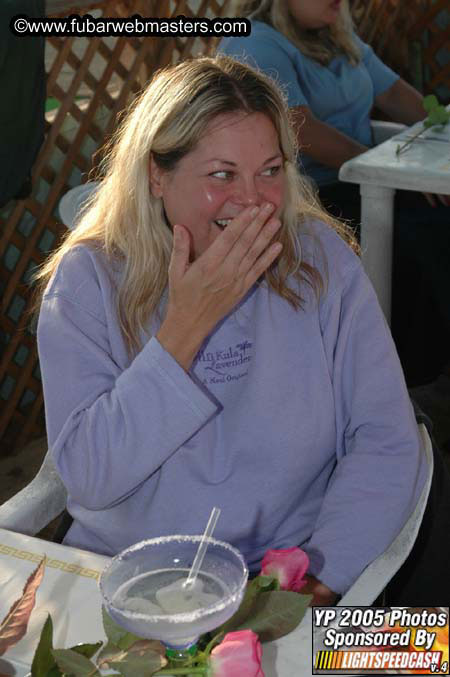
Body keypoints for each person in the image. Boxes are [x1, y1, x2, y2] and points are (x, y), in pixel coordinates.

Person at [36, 55, 428, 606]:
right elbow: (90, 477)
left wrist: (324, 577)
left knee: (425, 653)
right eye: (222, 174)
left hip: (292, 577)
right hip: (131, 587)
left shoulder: (320, 260)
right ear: (157, 173)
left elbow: (385, 438)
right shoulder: (88, 280)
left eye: (269, 171)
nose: (251, 200)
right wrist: (187, 325)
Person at [219, 0, 450, 387]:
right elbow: (299, 127)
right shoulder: (256, 43)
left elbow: (395, 95)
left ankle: (433, 363)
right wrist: (387, 170)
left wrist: (440, 127)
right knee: (413, 240)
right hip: (310, 197)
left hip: (371, 179)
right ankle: (401, 375)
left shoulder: (340, 39)